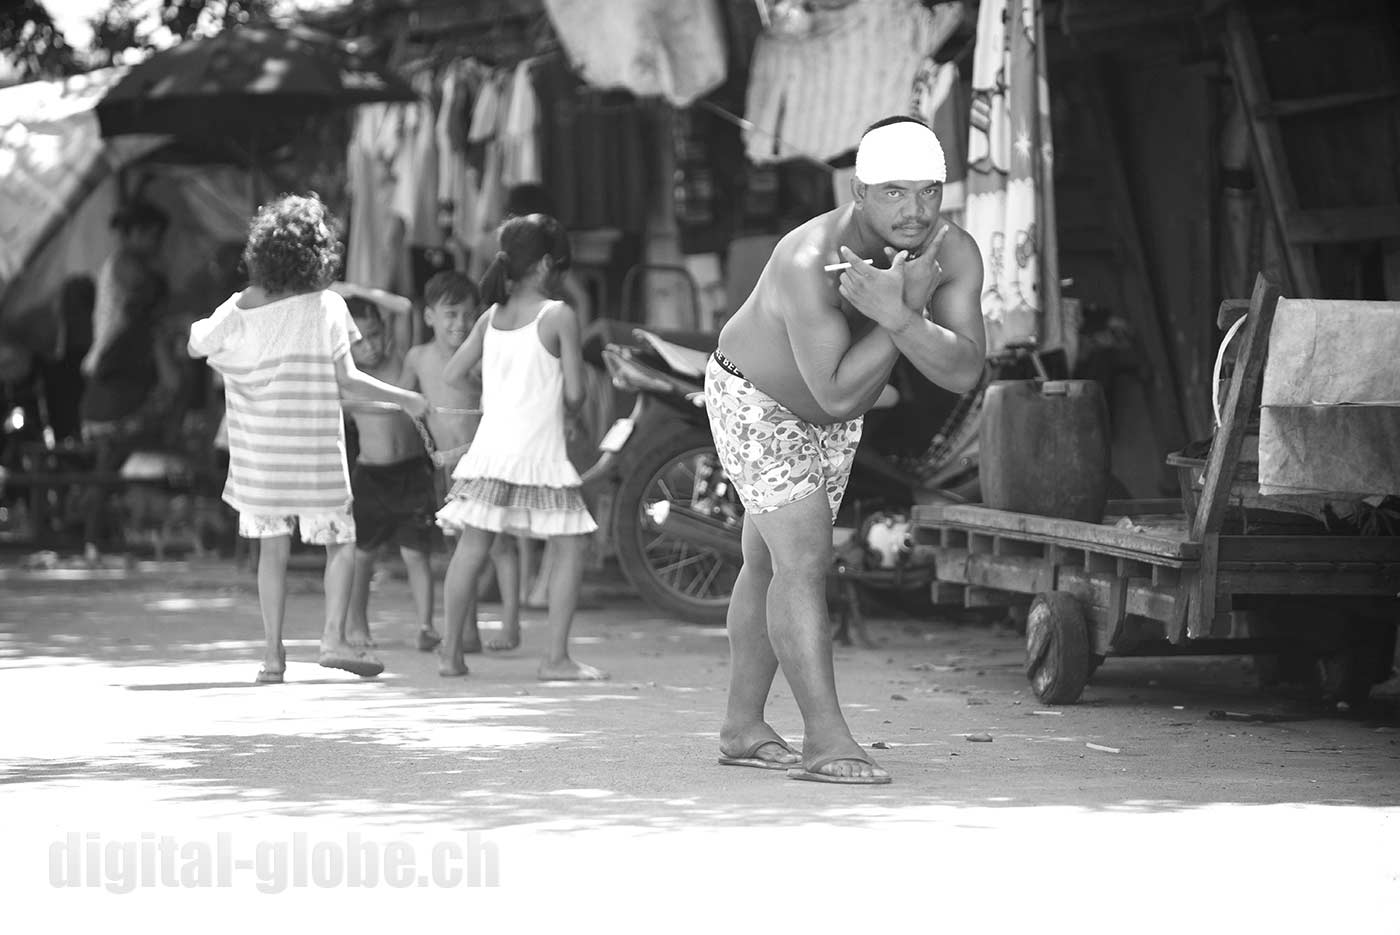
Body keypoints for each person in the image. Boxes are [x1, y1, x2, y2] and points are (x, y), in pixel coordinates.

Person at [706, 116, 986, 783]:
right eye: (893, 192)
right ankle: (827, 741)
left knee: (766, 562)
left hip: (839, 410)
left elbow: (966, 370)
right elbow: (832, 392)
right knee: (803, 560)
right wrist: (901, 321)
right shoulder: (809, 259)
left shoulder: (955, 253)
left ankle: (742, 728)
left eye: (926, 192)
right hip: (756, 399)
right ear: (858, 192)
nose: (914, 210)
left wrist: (899, 315)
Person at [187, 193, 429, 685]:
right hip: (316, 451)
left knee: (271, 551)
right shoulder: (328, 306)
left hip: (261, 458)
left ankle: (273, 657)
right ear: (319, 254)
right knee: (340, 541)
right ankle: (333, 638)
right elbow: (349, 381)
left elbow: (198, 342)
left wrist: (230, 316)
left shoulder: (242, 306)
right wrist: (406, 398)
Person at [435, 213, 605, 681]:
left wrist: (496, 388)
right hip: (540, 453)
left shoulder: (491, 316)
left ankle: (450, 655)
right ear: (548, 263)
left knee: (472, 547)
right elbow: (573, 393)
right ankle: (556, 659)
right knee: (570, 546)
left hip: (489, 451)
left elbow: (452, 375)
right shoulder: (558, 316)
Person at [400, 270, 523, 654]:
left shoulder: (482, 355)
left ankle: (511, 625)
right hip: (444, 467)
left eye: (468, 315)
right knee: (460, 550)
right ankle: (466, 632)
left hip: (485, 460)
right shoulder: (418, 358)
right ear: (429, 316)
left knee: (501, 545)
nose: (461, 324)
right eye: (450, 314)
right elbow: (401, 399)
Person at [336, 284, 441, 655]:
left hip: (412, 471)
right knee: (363, 555)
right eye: (358, 340)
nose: (369, 345)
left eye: (375, 334)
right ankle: (356, 621)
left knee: (416, 553)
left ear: (386, 330)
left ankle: (427, 625)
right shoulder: (345, 376)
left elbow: (405, 305)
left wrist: (350, 289)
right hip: (370, 476)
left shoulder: (402, 361)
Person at [78, 201, 182, 563]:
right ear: (135, 233)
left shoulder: (135, 268)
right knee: (110, 459)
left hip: (127, 374)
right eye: (152, 235)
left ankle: (103, 535)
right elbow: (146, 299)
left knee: (116, 459)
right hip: (114, 375)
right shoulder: (126, 266)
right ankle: (94, 536)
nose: (156, 243)